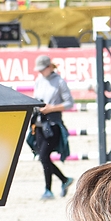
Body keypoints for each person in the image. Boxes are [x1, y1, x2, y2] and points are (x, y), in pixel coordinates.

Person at [32, 55, 74, 200]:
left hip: (53, 124)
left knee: (44, 156)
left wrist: (52, 108)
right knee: (43, 157)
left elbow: (69, 103)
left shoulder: (59, 82)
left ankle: (49, 189)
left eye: (42, 69)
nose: (40, 72)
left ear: (49, 67)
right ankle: (63, 180)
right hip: (39, 123)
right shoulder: (38, 81)